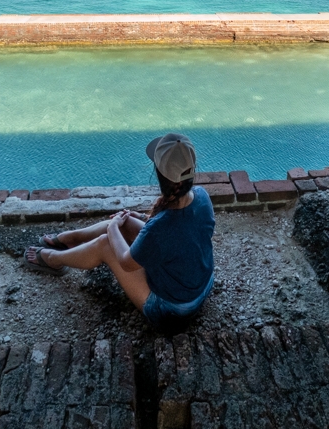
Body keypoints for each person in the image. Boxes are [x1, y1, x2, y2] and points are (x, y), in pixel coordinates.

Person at [23, 133, 216, 333]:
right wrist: (137, 218)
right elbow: (178, 233)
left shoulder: (159, 228)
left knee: (106, 244)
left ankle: (54, 259)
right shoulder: (202, 197)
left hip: (173, 310)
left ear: (159, 174)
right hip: (202, 284)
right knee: (127, 223)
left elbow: (126, 262)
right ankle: (70, 238)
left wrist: (113, 226)